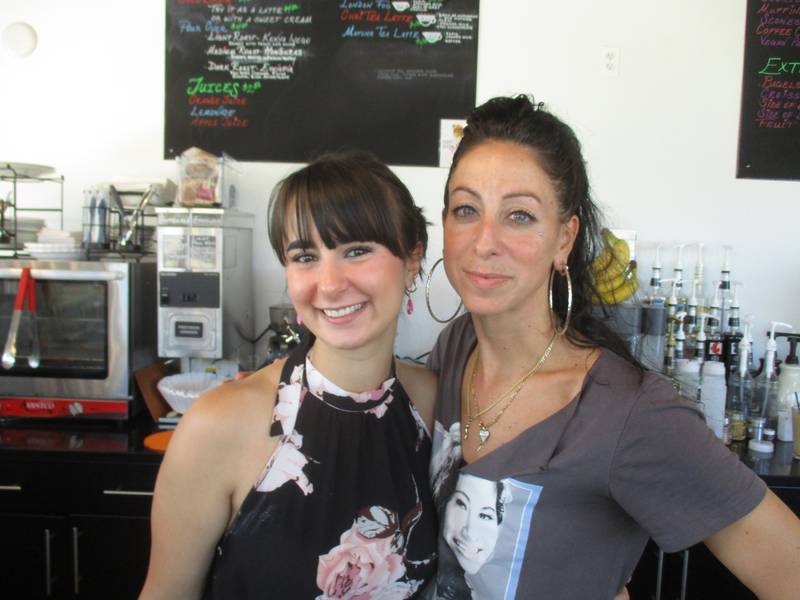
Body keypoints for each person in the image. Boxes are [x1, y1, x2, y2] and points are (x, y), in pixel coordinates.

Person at [425, 95, 800, 599]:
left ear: (565, 239)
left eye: (519, 216)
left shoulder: (629, 412)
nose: (484, 241)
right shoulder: (455, 349)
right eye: (467, 209)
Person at [140, 150, 438, 599]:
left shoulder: (434, 405)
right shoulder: (217, 426)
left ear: (412, 260)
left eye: (357, 250)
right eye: (305, 256)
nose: (331, 283)